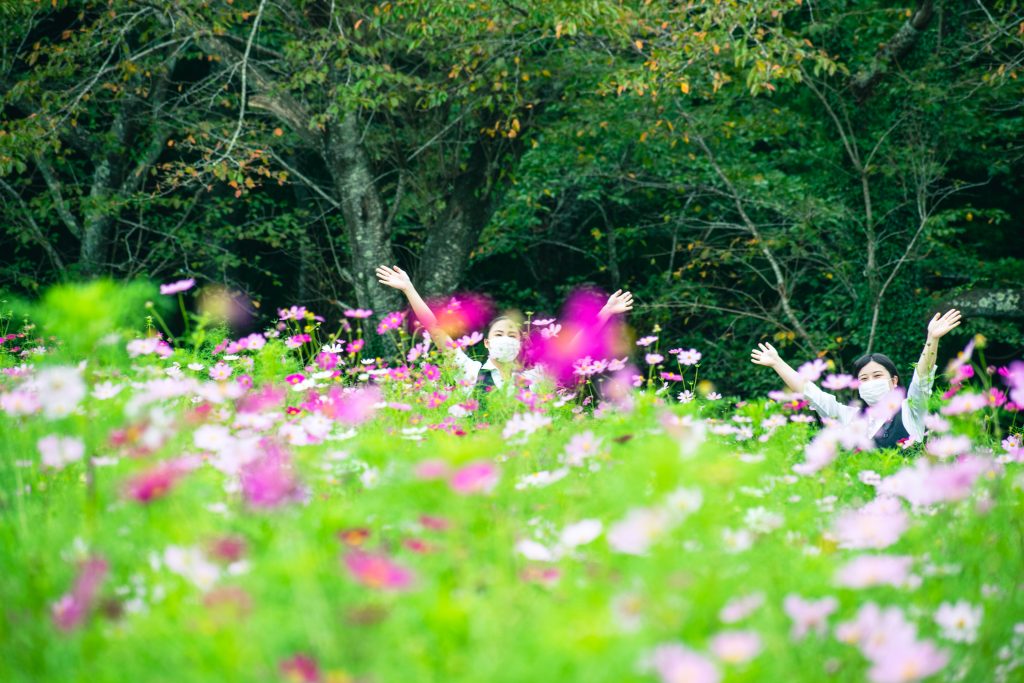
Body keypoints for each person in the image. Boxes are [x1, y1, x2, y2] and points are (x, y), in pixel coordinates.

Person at [375, 264, 633, 394]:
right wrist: (409, 288)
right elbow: (434, 327)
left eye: (512, 335)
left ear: (521, 343)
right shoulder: (468, 370)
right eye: (499, 334)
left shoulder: (535, 377)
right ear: (486, 342)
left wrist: (605, 312)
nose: (506, 339)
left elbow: (575, 346)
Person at [749, 309, 962, 448]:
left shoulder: (912, 409)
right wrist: (777, 363)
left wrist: (932, 339)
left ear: (894, 381)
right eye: (864, 379)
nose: (870, 382)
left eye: (877, 376)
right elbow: (810, 392)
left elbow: (922, 378)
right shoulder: (849, 417)